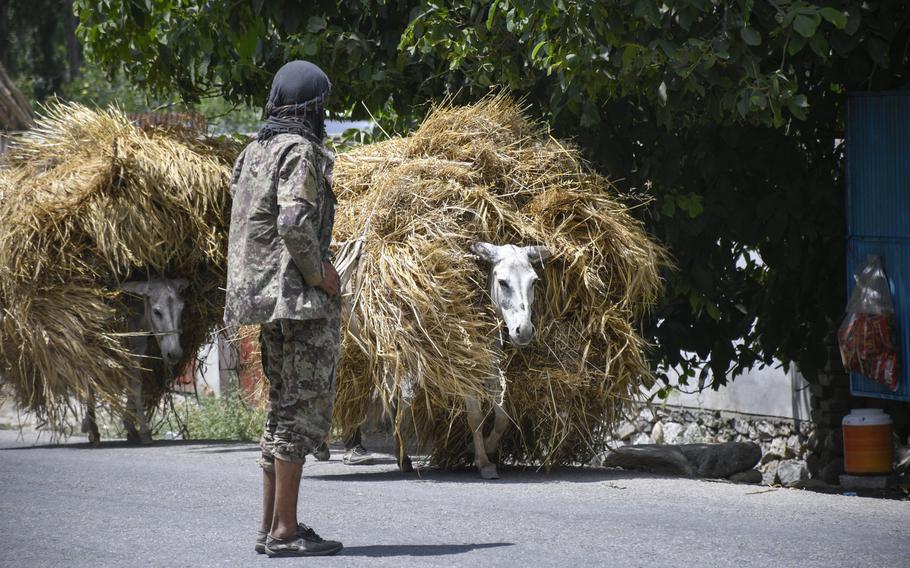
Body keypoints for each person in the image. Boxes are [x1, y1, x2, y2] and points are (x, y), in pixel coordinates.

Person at [224, 60, 343, 558]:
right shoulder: (301, 151)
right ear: (312, 105)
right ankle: (285, 532)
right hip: (296, 300)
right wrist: (321, 275)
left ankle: (270, 525)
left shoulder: (253, 151)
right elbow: (295, 221)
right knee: (301, 409)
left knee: (280, 407)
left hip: (261, 299)